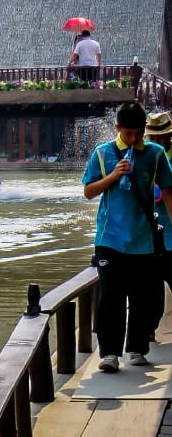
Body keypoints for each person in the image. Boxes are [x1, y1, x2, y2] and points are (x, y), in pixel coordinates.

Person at [82, 102, 172, 373]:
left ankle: (136, 348)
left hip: (142, 238)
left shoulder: (155, 154)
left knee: (142, 296)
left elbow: (167, 191)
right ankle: (109, 353)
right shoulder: (103, 153)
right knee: (111, 296)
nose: (134, 139)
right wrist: (113, 175)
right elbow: (88, 191)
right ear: (117, 128)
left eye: (139, 133)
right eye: (129, 133)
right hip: (109, 238)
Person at [145, 112, 172, 338]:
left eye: (160, 137)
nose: (156, 141)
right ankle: (149, 330)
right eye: (153, 137)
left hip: (171, 231)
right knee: (152, 287)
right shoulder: (145, 157)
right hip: (150, 233)